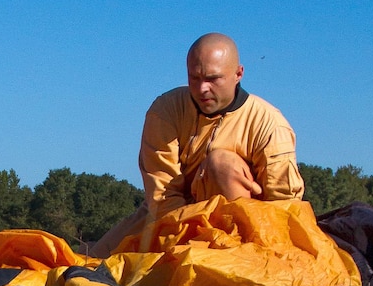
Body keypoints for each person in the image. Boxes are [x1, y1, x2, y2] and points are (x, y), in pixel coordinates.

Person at [89, 33, 304, 257]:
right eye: (195, 78)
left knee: (221, 164)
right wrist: (186, 245)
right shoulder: (166, 110)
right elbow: (162, 194)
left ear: (238, 74)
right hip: (171, 220)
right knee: (89, 265)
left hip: (245, 231)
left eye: (213, 79)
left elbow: (283, 205)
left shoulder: (269, 124)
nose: (202, 89)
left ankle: (232, 260)